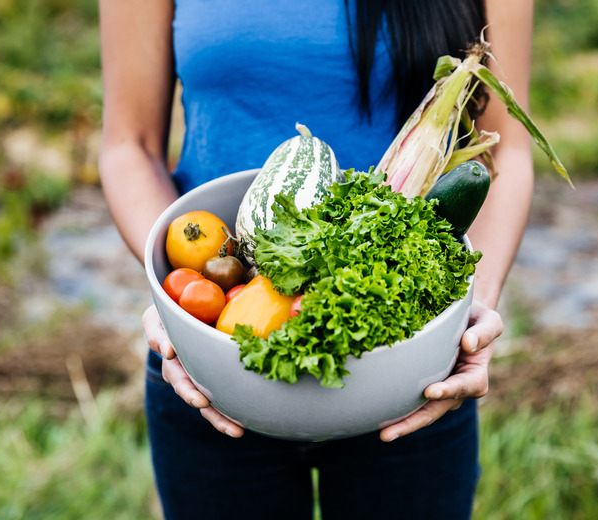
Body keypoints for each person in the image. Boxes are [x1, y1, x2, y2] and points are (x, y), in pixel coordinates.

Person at [98, 1, 534, 518]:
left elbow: (505, 150)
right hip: (210, 363)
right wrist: (172, 299)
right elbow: (130, 144)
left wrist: (466, 314)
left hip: (407, 369)